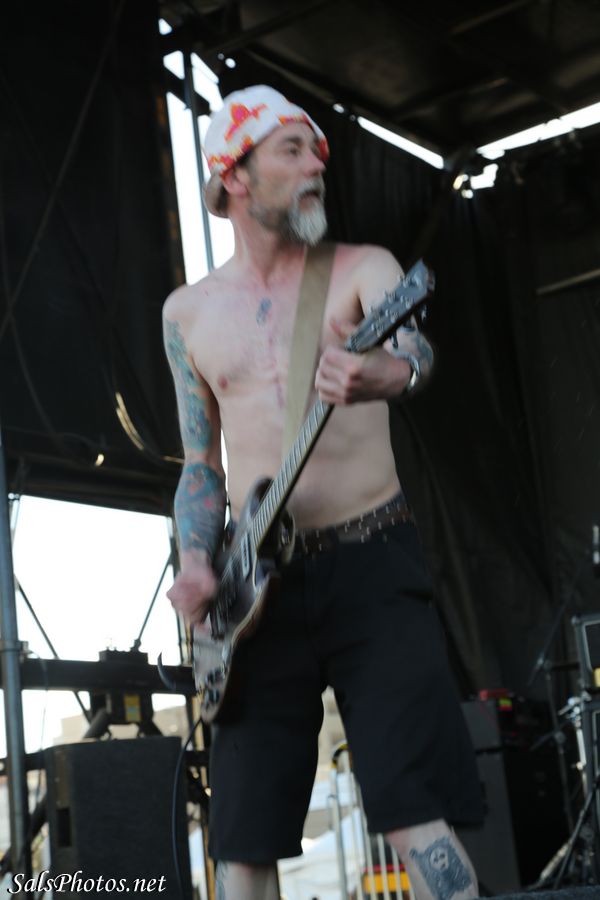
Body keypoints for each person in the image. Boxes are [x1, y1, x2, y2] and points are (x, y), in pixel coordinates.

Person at [163, 85, 483, 900]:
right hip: (254, 594)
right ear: (234, 174)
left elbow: (415, 351)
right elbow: (201, 464)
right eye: (293, 150)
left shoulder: (364, 268)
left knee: (416, 811)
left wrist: (390, 373)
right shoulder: (187, 315)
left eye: (319, 152)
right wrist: (194, 559)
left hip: (372, 561)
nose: (317, 166)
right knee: (243, 841)